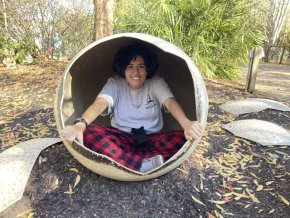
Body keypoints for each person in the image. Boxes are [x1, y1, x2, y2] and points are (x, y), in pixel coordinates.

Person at [61, 43, 203, 173]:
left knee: (183, 138)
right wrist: (80, 124)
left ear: (148, 68)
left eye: (141, 66)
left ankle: (127, 162)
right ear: (123, 68)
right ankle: (144, 164)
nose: (136, 72)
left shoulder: (156, 82)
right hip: (121, 139)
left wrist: (186, 124)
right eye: (130, 66)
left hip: (151, 139)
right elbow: (99, 104)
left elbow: (170, 102)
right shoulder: (115, 83)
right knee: (89, 133)